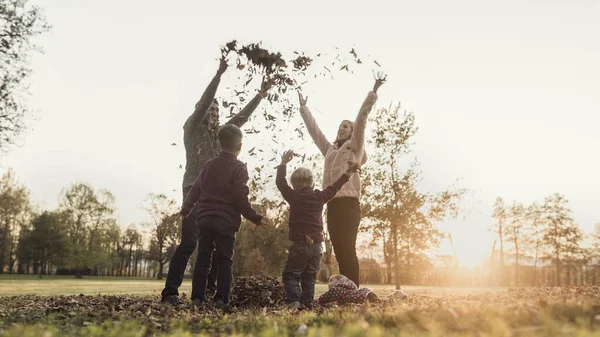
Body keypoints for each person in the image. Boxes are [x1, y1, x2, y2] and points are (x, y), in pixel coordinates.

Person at [161, 55, 273, 305]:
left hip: (218, 198)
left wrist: (259, 96)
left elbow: (241, 120)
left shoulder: (220, 136)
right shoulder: (192, 129)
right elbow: (202, 103)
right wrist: (219, 74)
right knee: (190, 243)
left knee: (217, 246)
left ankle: (209, 292)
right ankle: (170, 293)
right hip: (194, 188)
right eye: (209, 108)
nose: (212, 112)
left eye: (216, 110)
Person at [296, 74, 386, 287]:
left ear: (353, 132)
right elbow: (315, 132)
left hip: (349, 204)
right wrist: (304, 109)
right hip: (332, 204)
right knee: (338, 248)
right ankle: (346, 290)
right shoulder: (330, 150)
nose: (341, 128)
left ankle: (354, 291)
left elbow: (362, 118)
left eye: (346, 126)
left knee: (348, 248)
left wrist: (373, 91)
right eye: (340, 126)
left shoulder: (355, 147)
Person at [178, 124, 266, 311]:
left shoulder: (209, 165)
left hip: (205, 218)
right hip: (226, 221)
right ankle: (221, 300)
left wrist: (185, 209)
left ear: (219, 144)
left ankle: (197, 299)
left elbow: (195, 189)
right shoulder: (239, 167)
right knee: (225, 260)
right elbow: (240, 196)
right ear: (240, 146)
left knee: (203, 259)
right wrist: (254, 217)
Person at [275, 150, 359, 310]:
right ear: (313, 183)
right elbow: (334, 188)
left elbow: (280, 183)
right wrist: (347, 174)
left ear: (294, 184)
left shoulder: (293, 196)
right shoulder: (319, 196)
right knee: (309, 278)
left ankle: (294, 301)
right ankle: (307, 305)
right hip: (316, 247)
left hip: (299, 244)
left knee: (290, 275)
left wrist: (283, 163)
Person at [316, 274, 408, 306]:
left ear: (339, 280)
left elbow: (328, 296)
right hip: (365, 294)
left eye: (331, 281)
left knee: (380, 302)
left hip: (365, 296)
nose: (329, 284)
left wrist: (319, 300)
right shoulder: (345, 289)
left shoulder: (338, 288)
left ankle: (395, 297)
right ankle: (395, 295)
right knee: (379, 301)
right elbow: (336, 300)